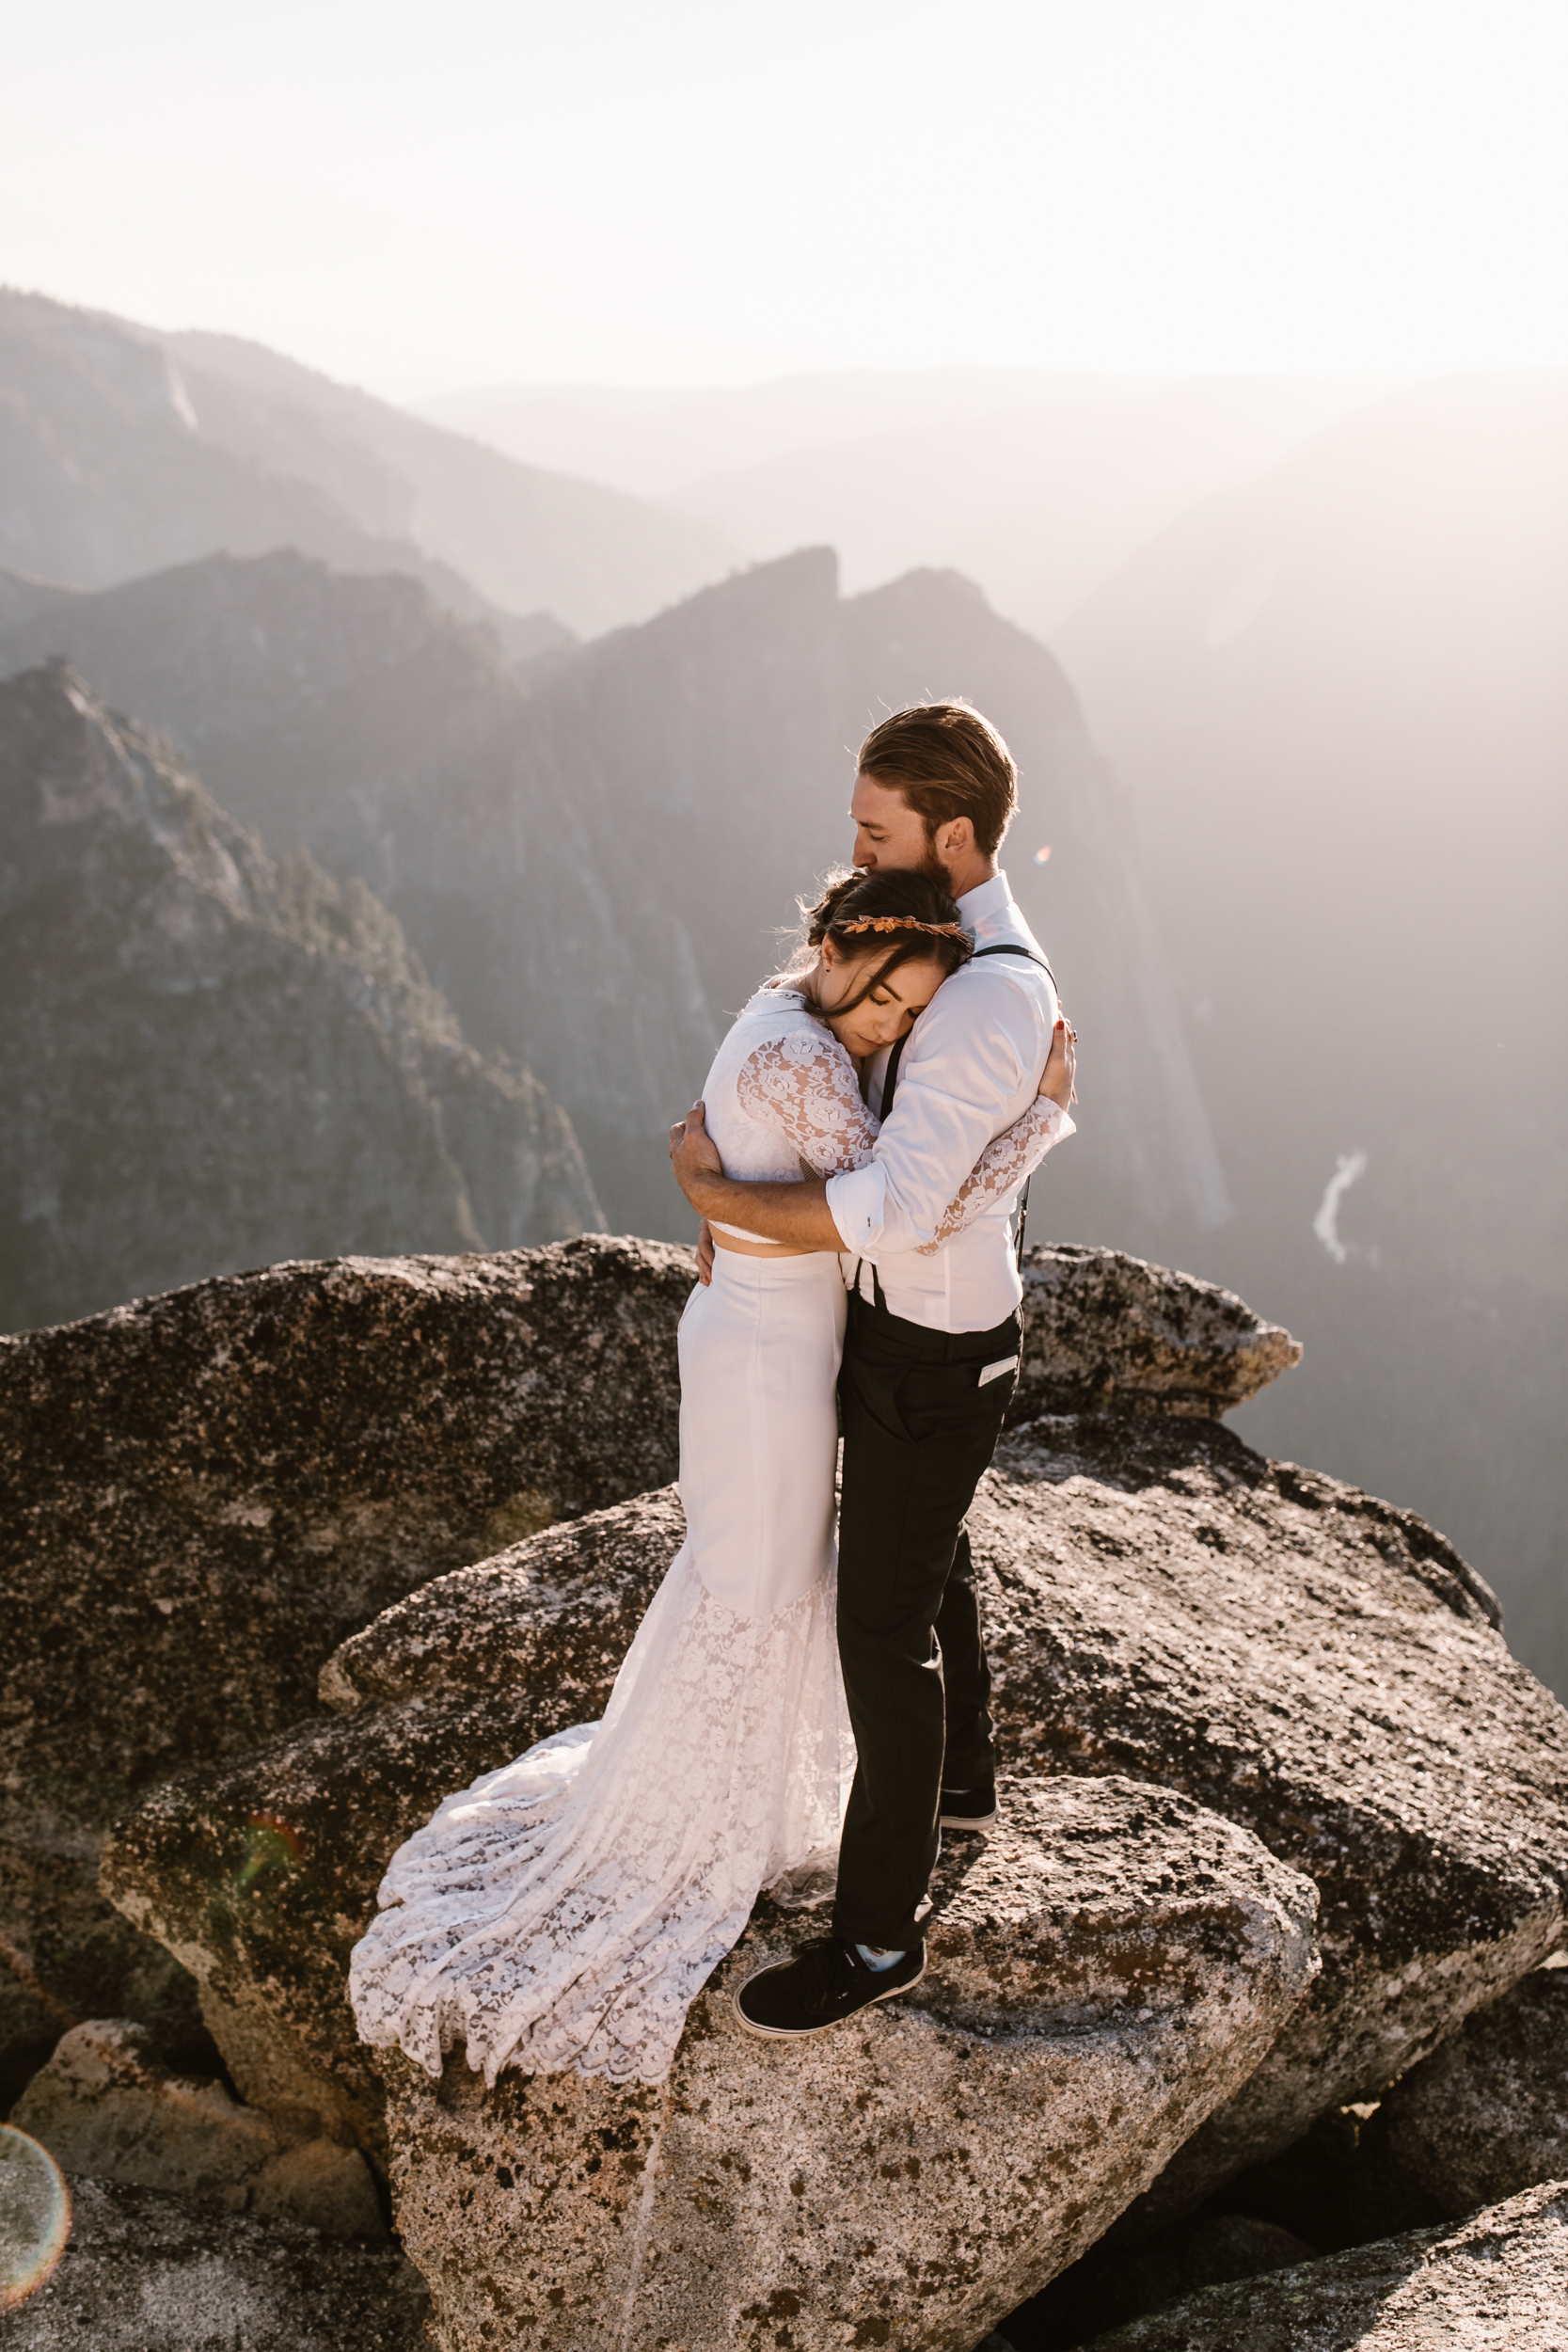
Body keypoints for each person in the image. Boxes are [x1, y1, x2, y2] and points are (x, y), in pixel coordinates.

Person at [348, 861, 1075, 2089]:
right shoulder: (801, 1054)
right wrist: (1042, 1117)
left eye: (910, 1011)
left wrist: (718, 1195)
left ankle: (822, 1797)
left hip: (775, 1336)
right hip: (771, 1361)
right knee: (760, 1587)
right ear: (837, 947)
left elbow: (820, 1179)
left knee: (784, 1576)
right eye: (886, 996)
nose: (891, 1025)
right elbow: (913, 1210)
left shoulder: (788, 1020)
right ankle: (712, 1837)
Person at [669, 699, 1069, 2041]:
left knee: (878, 1632)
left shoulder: (987, 998)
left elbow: (897, 1209)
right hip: (899, 1332)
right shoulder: (943, 957)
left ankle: (881, 1938)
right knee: (926, 1555)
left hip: (935, 1346)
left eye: (874, 828)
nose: (855, 845)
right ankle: (962, 1786)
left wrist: (721, 1199)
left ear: (950, 836)